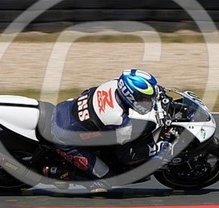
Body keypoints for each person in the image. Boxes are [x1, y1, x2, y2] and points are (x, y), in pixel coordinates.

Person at [43, 68, 174, 193]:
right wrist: (157, 149)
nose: (148, 101)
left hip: (65, 109)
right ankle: (58, 173)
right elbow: (126, 156)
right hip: (63, 136)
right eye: (144, 98)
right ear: (130, 95)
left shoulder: (115, 84)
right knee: (108, 179)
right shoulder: (116, 118)